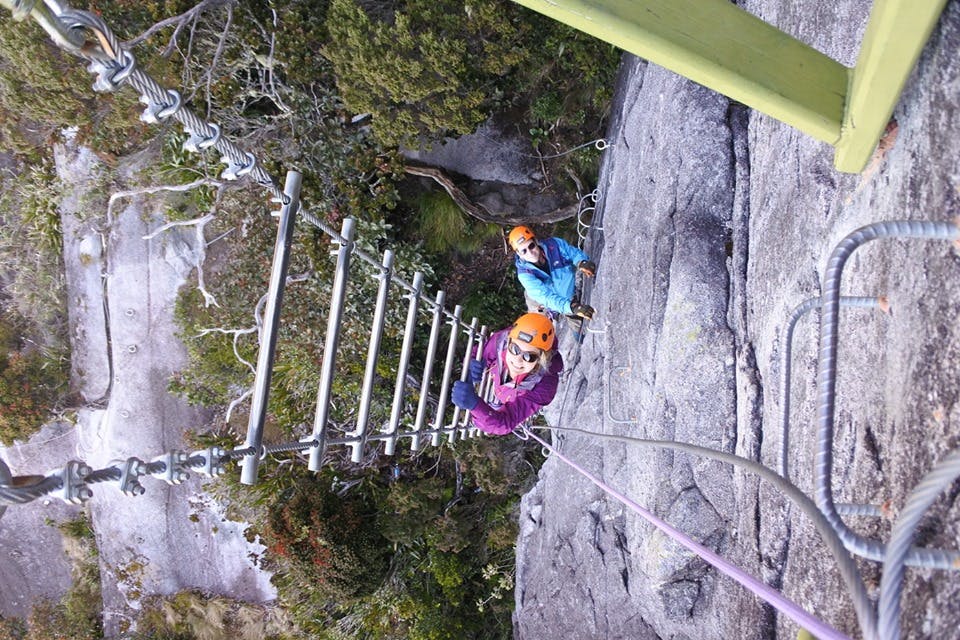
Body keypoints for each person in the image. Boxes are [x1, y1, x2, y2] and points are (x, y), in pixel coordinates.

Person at [451, 313, 563, 435]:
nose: (517, 360)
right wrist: (474, 362)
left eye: (529, 356)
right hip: (501, 389)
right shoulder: (501, 341)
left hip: (514, 399)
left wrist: (475, 406)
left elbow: (507, 421)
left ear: (542, 359)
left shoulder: (544, 386)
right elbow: (481, 352)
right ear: (508, 341)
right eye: (515, 349)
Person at [508, 225, 596, 336]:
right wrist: (571, 307)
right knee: (578, 330)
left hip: (572, 289)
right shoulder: (525, 275)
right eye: (524, 251)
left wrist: (582, 262)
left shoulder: (554, 246)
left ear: (536, 241)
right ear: (519, 254)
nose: (530, 253)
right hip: (556, 302)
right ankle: (578, 337)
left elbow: (572, 253)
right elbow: (546, 297)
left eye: (531, 246)